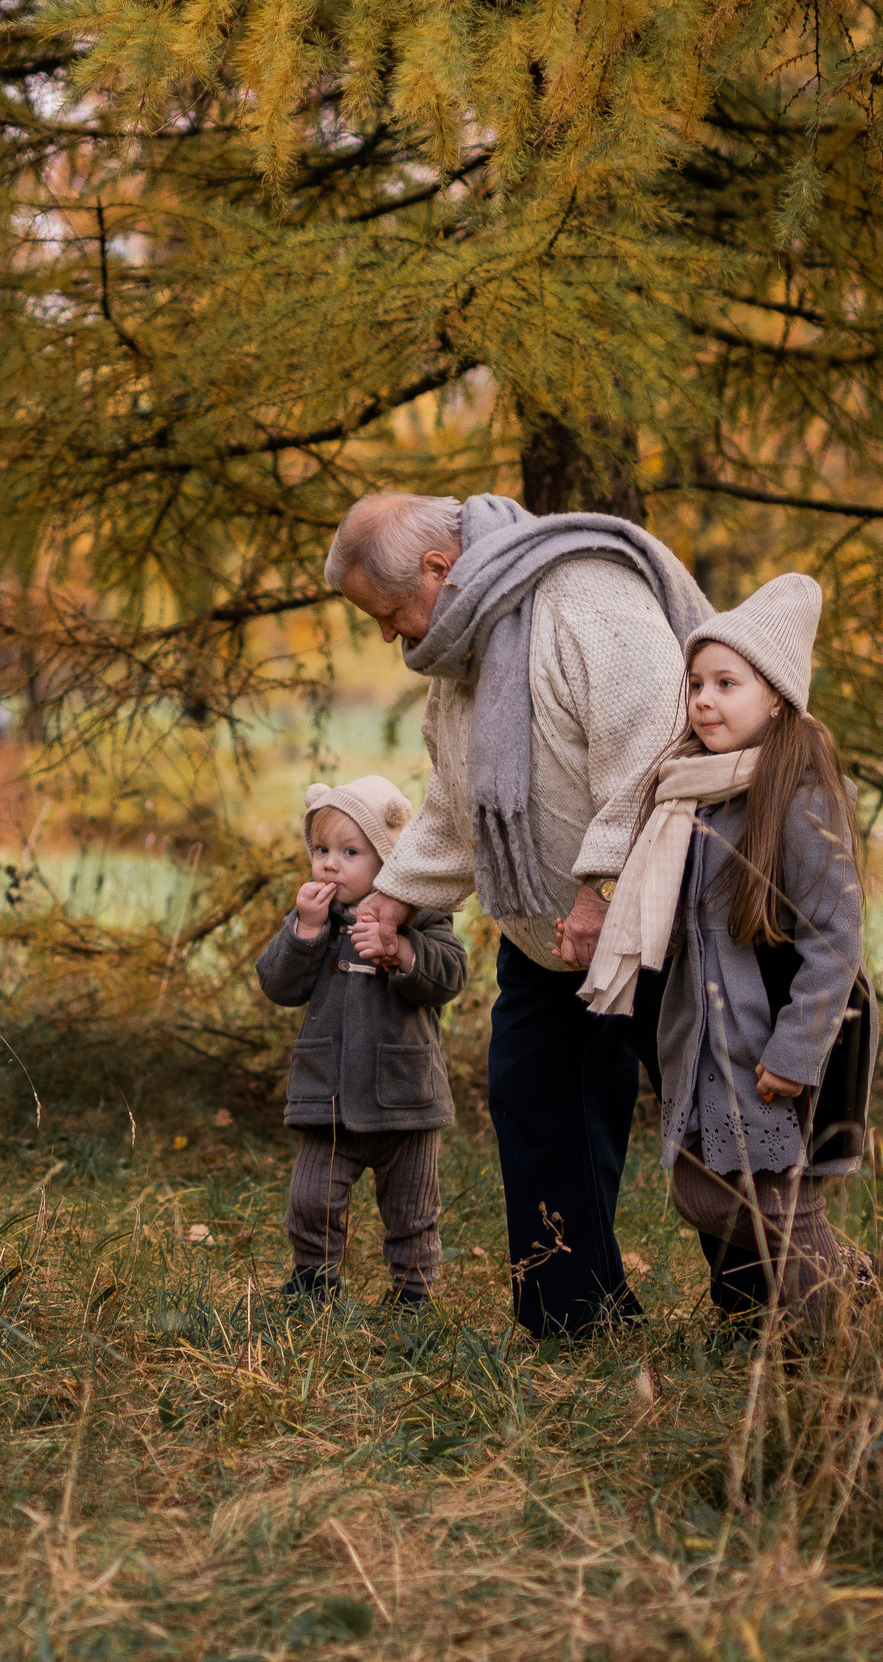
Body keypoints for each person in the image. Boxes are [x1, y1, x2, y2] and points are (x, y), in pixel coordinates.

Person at [330, 491, 704, 1337]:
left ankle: (771, 1303)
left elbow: (656, 742)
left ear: (438, 567)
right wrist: (392, 894)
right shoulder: (467, 653)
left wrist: (602, 886)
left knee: (712, 1113)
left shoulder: (584, 596)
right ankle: (576, 1318)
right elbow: (456, 802)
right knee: (534, 1100)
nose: (389, 635)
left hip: (659, 913)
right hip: (550, 934)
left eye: (389, 613)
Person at [579, 573, 873, 1348]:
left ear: (775, 696)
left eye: (727, 684)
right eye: (697, 684)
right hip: (702, 1036)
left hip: (767, 1041)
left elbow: (835, 938)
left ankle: (832, 1342)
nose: (705, 700)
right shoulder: (687, 789)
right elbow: (671, 909)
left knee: (776, 1202)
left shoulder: (796, 795)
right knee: (702, 1189)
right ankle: (844, 1282)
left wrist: (797, 1051)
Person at [255, 776, 469, 1308]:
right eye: (321, 850)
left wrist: (402, 950)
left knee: (412, 1209)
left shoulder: (423, 915)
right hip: (327, 1095)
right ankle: (312, 1282)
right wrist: (304, 931)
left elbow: (451, 977)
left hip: (406, 1095)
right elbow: (279, 986)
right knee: (311, 1198)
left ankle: (412, 1294)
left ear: (390, 861)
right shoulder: (316, 922)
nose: (330, 864)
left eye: (350, 852)